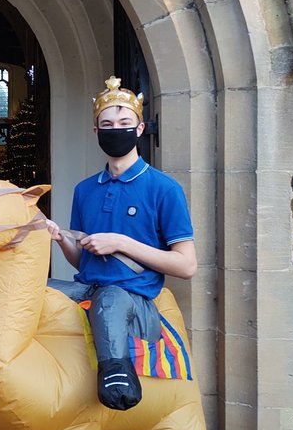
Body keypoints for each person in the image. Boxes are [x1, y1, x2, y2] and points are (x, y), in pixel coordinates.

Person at [45, 76, 196, 410]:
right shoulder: (85, 190)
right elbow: (82, 262)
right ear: (97, 132)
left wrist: (121, 242)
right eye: (108, 124)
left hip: (134, 297)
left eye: (125, 123)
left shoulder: (163, 188)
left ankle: (116, 376)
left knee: (111, 299)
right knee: (35, 289)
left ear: (139, 129)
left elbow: (186, 266)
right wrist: (60, 239)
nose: (117, 129)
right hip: (88, 287)